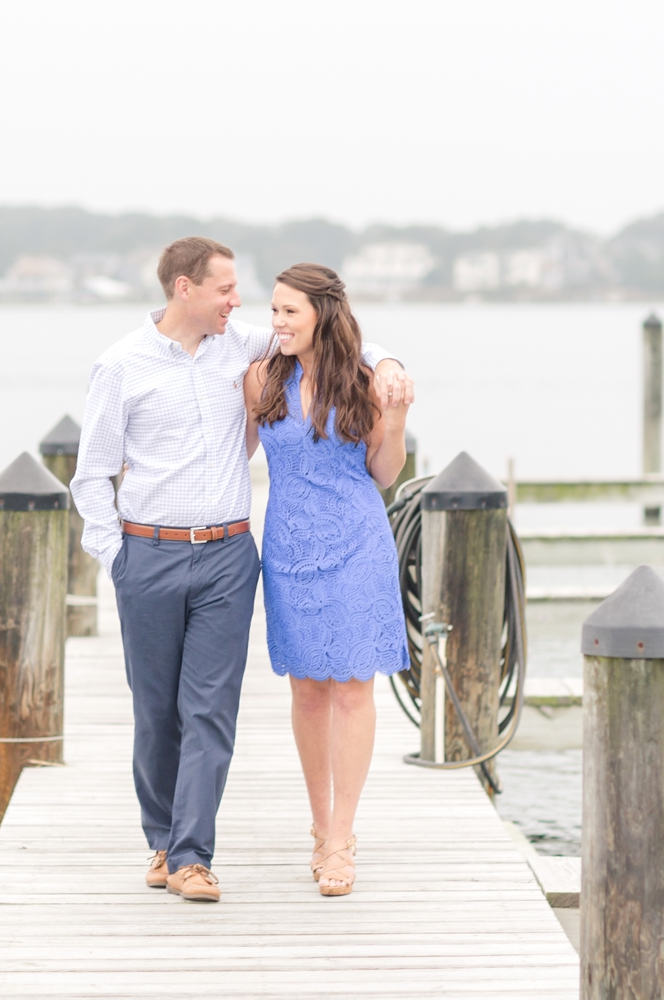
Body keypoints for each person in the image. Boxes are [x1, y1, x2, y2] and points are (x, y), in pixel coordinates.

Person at [70, 238, 413, 903]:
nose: (246, 306)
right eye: (228, 290)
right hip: (167, 551)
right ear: (183, 289)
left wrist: (390, 363)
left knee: (215, 709)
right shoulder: (135, 366)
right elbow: (91, 474)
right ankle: (166, 840)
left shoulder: (243, 344)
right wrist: (119, 558)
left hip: (242, 552)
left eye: (257, 299)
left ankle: (203, 856)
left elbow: (344, 343)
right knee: (157, 710)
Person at [244, 263, 412, 896]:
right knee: (308, 691)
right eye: (275, 311)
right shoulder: (262, 376)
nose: (279, 322)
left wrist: (392, 422)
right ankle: (319, 829)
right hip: (287, 549)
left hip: (357, 545)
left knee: (351, 688)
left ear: (321, 313)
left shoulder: (365, 380)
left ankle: (342, 838)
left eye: (291, 312)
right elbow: (233, 452)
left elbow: (385, 472)